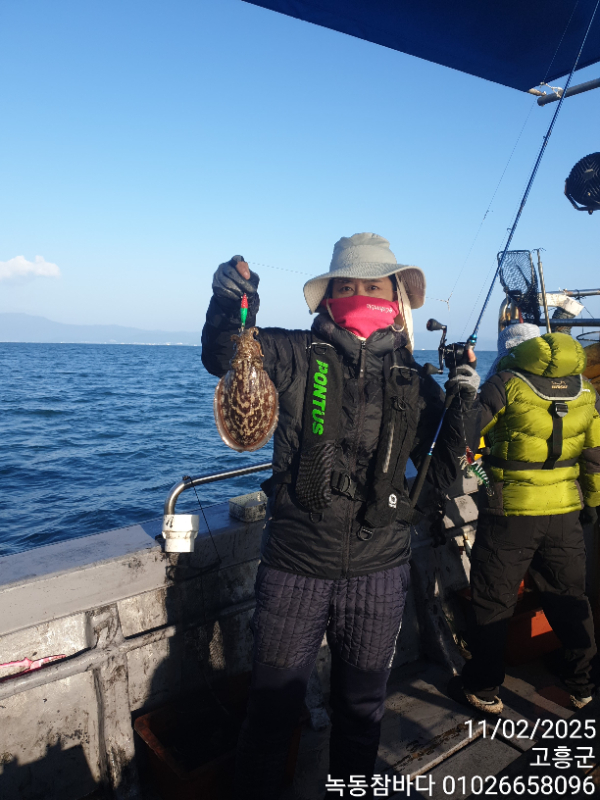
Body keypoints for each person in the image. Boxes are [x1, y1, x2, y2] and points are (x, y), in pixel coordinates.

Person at [201, 232, 479, 798]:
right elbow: (225, 355)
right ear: (328, 297)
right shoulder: (291, 354)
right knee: (272, 712)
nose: (360, 297)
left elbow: (445, 466)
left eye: (373, 288)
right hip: (295, 566)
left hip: (380, 571)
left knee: (362, 709)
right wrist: (231, 302)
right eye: (347, 287)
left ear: (395, 298)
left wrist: (464, 402)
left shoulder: (413, 380)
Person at [459, 322, 600, 714]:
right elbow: (594, 455)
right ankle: (583, 685)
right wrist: (591, 503)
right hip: (565, 513)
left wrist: (465, 384)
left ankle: (484, 688)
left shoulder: (504, 384)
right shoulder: (585, 389)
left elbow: (464, 439)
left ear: (511, 351)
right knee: (569, 597)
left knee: (493, 600)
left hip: (510, 515)